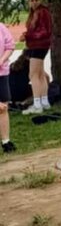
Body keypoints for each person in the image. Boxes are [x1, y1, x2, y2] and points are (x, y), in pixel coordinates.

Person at [20, 0, 52, 115]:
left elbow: (44, 31)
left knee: (33, 75)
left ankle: (37, 104)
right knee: (40, 74)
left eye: (36, 0)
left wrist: (27, 36)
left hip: (39, 46)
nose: (34, 2)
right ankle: (44, 102)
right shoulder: (35, 13)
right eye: (31, 0)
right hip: (38, 45)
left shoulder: (43, 12)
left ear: (40, 0)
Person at [0, 22, 16, 153]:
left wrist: (2, 60)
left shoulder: (1, 27)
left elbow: (10, 46)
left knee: (3, 107)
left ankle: (6, 141)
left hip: (2, 73)